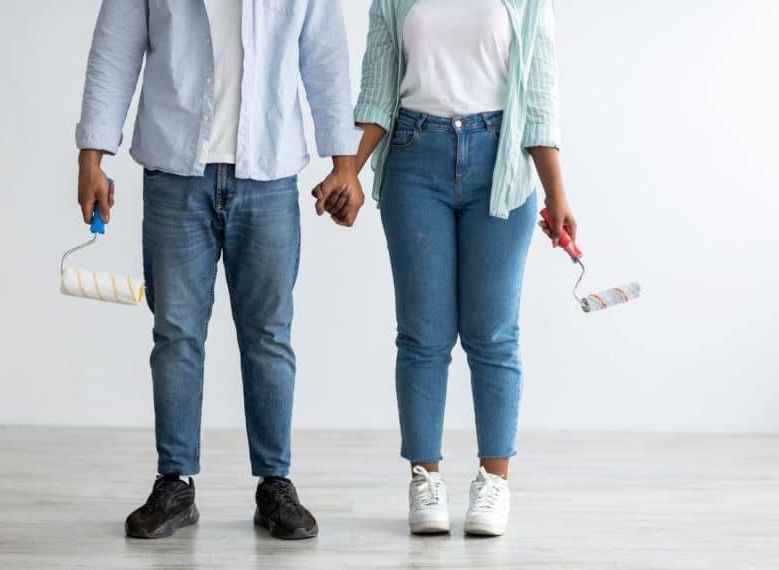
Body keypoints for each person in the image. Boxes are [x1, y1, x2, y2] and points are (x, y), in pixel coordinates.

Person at [75, 0, 362, 540]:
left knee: (269, 336)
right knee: (176, 334)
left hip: (270, 170)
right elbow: (114, 48)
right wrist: (93, 153)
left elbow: (324, 53)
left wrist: (342, 158)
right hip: (174, 169)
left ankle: (275, 483)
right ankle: (175, 482)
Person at [314, 0, 575, 536]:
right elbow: (377, 91)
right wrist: (349, 171)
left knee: (494, 335)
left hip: (499, 161)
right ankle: (424, 478)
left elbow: (539, 98)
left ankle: (494, 481)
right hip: (415, 160)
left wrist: (556, 193)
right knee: (422, 336)